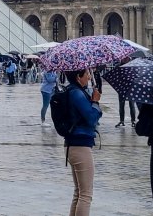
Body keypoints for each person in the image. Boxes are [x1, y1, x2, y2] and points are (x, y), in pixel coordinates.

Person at [62, 69, 102, 216]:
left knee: (79, 193)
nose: (89, 76)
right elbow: (92, 118)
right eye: (87, 74)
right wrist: (96, 102)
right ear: (79, 77)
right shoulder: (77, 93)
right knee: (86, 195)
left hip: (72, 145)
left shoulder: (73, 91)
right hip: (80, 146)